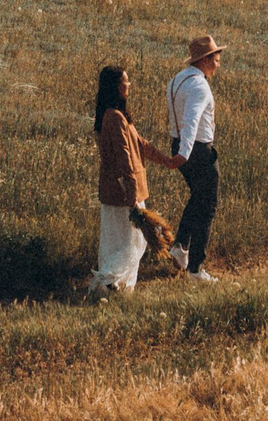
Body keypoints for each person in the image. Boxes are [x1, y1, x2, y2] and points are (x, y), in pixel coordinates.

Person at [89, 62, 180, 296]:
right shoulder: (115, 118)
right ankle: (108, 280)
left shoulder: (115, 116)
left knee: (118, 241)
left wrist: (165, 160)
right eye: (125, 82)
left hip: (117, 190)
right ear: (117, 87)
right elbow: (124, 156)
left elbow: (141, 144)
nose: (129, 85)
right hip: (124, 191)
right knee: (133, 242)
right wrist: (131, 190)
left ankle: (114, 286)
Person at [166, 34, 224, 281]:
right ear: (206, 60)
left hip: (178, 144)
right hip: (197, 149)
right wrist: (184, 154)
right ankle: (196, 269)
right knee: (208, 205)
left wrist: (179, 151)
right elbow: (191, 121)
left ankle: (180, 247)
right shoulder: (200, 86)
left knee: (198, 198)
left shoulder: (177, 79)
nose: (219, 64)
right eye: (217, 59)